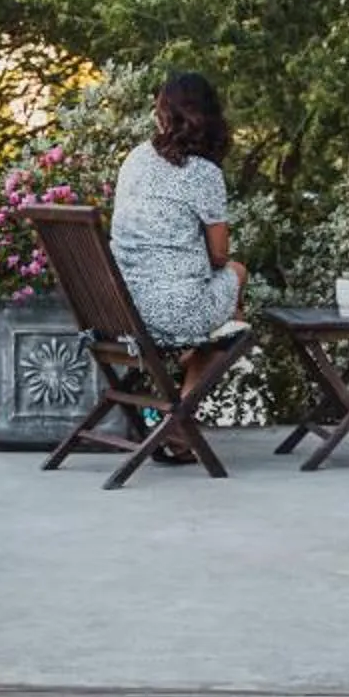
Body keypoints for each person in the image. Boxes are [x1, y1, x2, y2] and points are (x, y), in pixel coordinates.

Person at [109, 73, 251, 441]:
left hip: (121, 310)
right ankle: (182, 420)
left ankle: (186, 397)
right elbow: (220, 257)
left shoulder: (135, 160)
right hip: (174, 313)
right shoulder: (205, 173)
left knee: (220, 324)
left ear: (163, 115)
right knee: (237, 284)